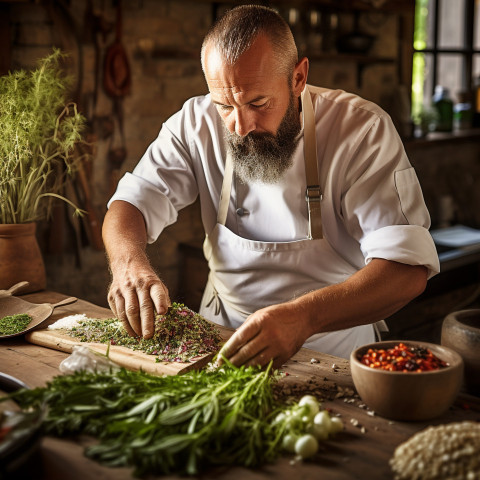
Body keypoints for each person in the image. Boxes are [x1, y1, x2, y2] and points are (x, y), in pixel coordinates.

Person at [102, 5, 439, 368]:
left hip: (330, 348)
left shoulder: (360, 130)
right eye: (224, 106)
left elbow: (406, 270)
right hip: (220, 339)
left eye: (258, 103)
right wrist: (128, 265)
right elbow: (130, 204)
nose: (240, 125)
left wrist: (303, 318)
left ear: (298, 78)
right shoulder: (194, 123)